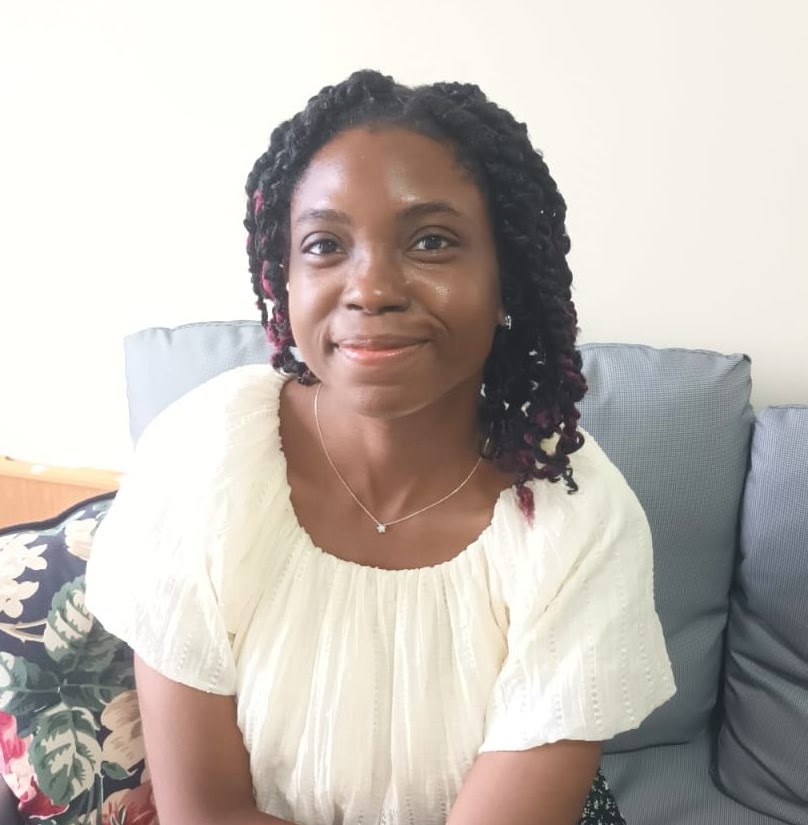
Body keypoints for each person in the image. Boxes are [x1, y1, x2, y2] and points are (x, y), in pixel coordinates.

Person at [85, 69, 676, 825]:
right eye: (326, 245)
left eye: (432, 241)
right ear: (284, 279)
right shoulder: (206, 460)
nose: (371, 288)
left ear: (506, 285)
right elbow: (207, 815)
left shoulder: (578, 516)